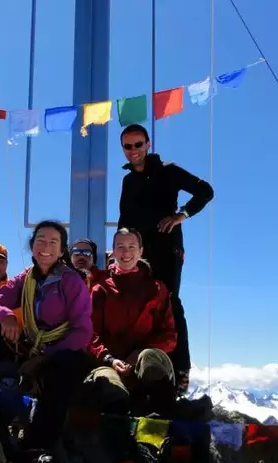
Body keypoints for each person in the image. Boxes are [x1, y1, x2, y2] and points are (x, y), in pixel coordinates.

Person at [0, 220, 93, 451]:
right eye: (41, 241)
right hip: (31, 346)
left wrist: (45, 357)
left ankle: (39, 445)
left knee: (66, 365)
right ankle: (0, 383)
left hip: (61, 351)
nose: (46, 247)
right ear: (32, 245)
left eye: (53, 242)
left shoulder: (71, 281)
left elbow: (82, 332)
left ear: (61, 250)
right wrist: (6, 315)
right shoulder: (26, 279)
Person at [118, 124, 214, 393]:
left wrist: (181, 215)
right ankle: (146, 364)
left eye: (138, 144)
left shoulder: (169, 170)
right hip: (138, 251)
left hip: (167, 248)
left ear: (148, 144)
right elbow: (125, 218)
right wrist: (119, 249)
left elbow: (205, 191)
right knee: (138, 303)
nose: (133, 151)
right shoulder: (128, 181)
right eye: (128, 146)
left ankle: (181, 368)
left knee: (170, 302)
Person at [88, 228, 178, 416]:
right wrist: (110, 359)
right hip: (110, 363)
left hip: (145, 364)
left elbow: (169, 335)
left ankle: (157, 431)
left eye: (131, 247)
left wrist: (138, 354)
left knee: (150, 359)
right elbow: (90, 334)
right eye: (120, 247)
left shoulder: (156, 288)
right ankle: (120, 438)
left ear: (141, 251)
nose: (126, 252)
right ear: (113, 251)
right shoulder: (100, 290)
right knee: (110, 387)